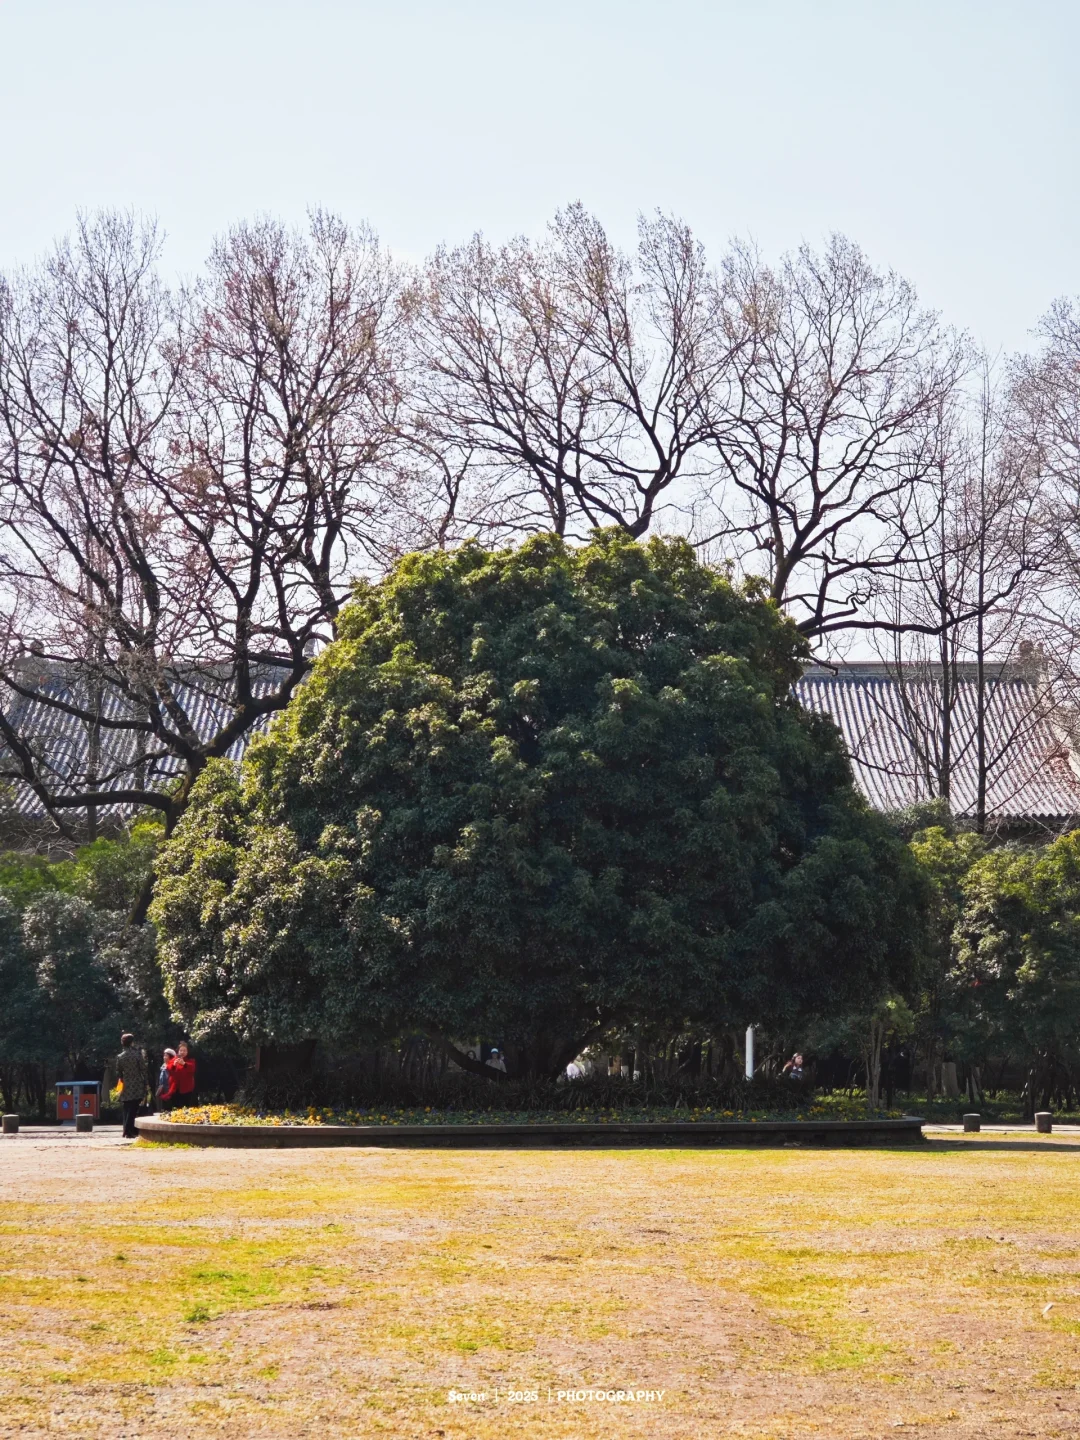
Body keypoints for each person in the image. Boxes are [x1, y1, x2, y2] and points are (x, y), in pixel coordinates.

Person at [115, 1033, 148, 1138]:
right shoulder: (137, 1055)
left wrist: (123, 1078)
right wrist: (146, 1083)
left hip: (126, 1085)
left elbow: (118, 1072)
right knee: (133, 1108)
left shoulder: (120, 1057)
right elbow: (143, 1069)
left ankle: (125, 1130)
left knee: (126, 1107)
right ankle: (129, 1131)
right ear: (132, 1042)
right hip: (137, 1084)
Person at [171, 1041, 197, 1106]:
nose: (182, 1052)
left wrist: (184, 1064)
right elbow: (170, 1072)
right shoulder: (174, 1060)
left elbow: (192, 1069)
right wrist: (174, 1065)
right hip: (176, 1089)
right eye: (181, 1050)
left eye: (184, 1050)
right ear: (178, 1051)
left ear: (187, 1052)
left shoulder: (191, 1060)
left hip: (187, 1088)